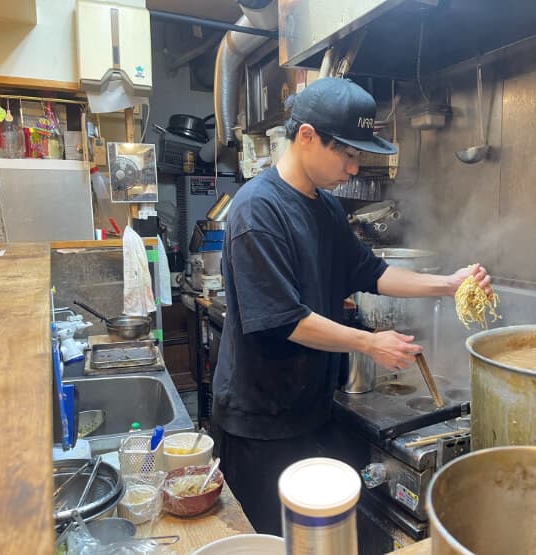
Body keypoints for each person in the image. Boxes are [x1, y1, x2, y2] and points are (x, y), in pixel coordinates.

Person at [210, 77, 491, 535]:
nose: (354, 168)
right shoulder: (257, 210)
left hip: (310, 412)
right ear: (306, 136)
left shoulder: (326, 208)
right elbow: (284, 320)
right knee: (273, 542)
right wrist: (370, 343)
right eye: (347, 154)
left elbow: (372, 272)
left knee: (314, 539)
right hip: (260, 424)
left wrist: (449, 284)